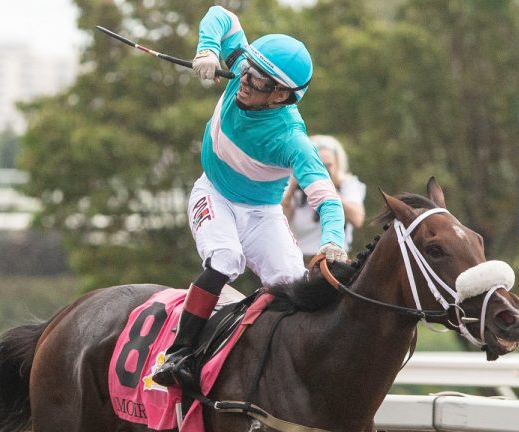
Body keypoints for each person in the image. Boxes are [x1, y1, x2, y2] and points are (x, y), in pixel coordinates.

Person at [152, 5, 348, 388]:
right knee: (226, 259)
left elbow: (327, 198)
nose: (244, 80)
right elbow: (221, 15)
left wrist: (333, 240)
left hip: (262, 212)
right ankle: (179, 353)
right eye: (246, 70)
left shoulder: (292, 141)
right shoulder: (247, 70)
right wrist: (208, 49)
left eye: (258, 80)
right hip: (214, 193)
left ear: (281, 95)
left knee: (293, 284)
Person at [283, 135, 366, 263]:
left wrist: (328, 191)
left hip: (334, 259)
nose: (324, 171)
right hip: (299, 260)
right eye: (319, 166)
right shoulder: (297, 188)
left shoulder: (347, 185)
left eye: (328, 166)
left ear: (338, 165)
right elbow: (281, 221)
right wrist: (293, 188)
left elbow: (357, 219)